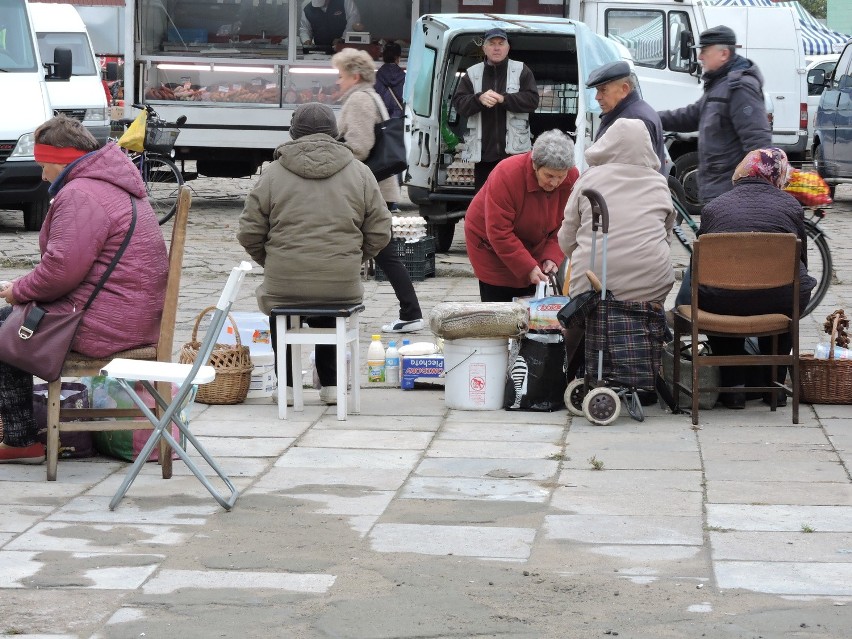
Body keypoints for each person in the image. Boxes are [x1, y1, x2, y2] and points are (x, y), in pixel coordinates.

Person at [0, 114, 168, 463]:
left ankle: (19, 440)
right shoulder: (109, 184)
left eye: (41, 162)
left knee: (3, 329)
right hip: (128, 315)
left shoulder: (80, 194)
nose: (40, 172)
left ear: (56, 159)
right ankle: (20, 434)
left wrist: (18, 290)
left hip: (104, 325)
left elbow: (60, 272)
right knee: (8, 321)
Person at [238, 102, 390, 405]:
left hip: (284, 281)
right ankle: (332, 386)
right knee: (329, 305)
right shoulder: (359, 172)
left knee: (279, 306)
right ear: (334, 133)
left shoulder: (273, 174)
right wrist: (352, 258)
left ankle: (289, 388)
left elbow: (249, 231)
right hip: (341, 282)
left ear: (294, 133)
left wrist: (273, 261)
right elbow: (381, 229)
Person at [689, 148, 816, 409]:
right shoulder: (791, 206)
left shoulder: (714, 207)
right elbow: (800, 261)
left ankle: (733, 387)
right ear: (778, 174)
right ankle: (774, 386)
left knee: (716, 293)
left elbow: (697, 265)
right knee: (788, 293)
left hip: (722, 302)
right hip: (777, 300)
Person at [333, 47, 424, 333]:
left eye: (341, 75)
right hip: (375, 189)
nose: (338, 81)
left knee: (363, 250)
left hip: (365, 190)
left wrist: (330, 153)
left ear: (354, 75)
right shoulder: (368, 96)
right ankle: (408, 311)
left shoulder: (359, 99)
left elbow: (359, 147)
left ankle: (406, 312)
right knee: (381, 252)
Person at [558, 118, 675, 304]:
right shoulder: (660, 183)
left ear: (607, 143)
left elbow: (567, 238)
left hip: (592, 286)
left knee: (580, 314)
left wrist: (585, 254)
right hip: (652, 288)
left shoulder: (588, 180)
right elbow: (667, 235)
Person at [658, 25, 771, 206]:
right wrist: (652, 118)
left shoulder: (740, 87)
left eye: (704, 51)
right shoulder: (720, 84)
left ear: (724, 54)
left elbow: (758, 143)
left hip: (732, 194)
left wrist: (752, 193)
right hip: (717, 189)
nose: (700, 57)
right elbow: (692, 115)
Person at [464, 129, 579, 302]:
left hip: (534, 240)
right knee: (500, 306)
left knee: (531, 304)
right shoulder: (507, 174)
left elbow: (567, 224)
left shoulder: (571, 177)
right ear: (535, 165)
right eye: (549, 175)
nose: (555, 183)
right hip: (490, 244)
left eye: (560, 177)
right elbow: (499, 231)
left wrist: (551, 256)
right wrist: (528, 267)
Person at [451, 27, 539, 191]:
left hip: (514, 155)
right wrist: (479, 99)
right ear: (484, 48)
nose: (496, 48)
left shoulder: (521, 70)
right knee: (484, 202)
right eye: (492, 44)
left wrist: (505, 99)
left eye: (501, 43)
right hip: (483, 156)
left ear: (508, 48)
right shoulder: (472, 73)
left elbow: (533, 100)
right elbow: (459, 104)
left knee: (514, 200)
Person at [586, 60, 666, 175]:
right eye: (597, 90)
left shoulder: (635, 120)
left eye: (603, 90)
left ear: (624, 89)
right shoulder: (628, 112)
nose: (597, 97)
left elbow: (639, 175)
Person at [374, 41, 404, 119]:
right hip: (398, 122)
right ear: (398, 58)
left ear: (383, 57)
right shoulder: (404, 77)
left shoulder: (377, 77)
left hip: (382, 120)